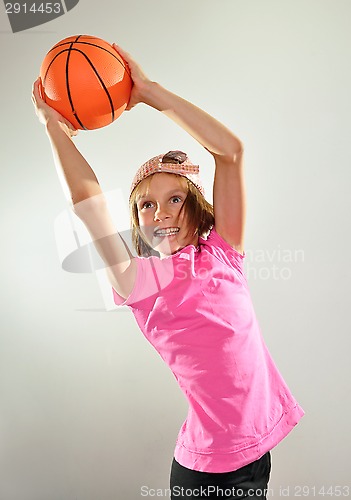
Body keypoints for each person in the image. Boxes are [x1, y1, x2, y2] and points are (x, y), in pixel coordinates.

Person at [32, 43, 304, 500]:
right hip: (208, 474)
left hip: (258, 455)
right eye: (146, 204)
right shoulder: (140, 282)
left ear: (196, 206)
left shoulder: (223, 253)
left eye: (175, 198)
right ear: (136, 221)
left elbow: (231, 152)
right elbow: (88, 205)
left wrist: (150, 92)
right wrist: (53, 128)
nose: (161, 213)